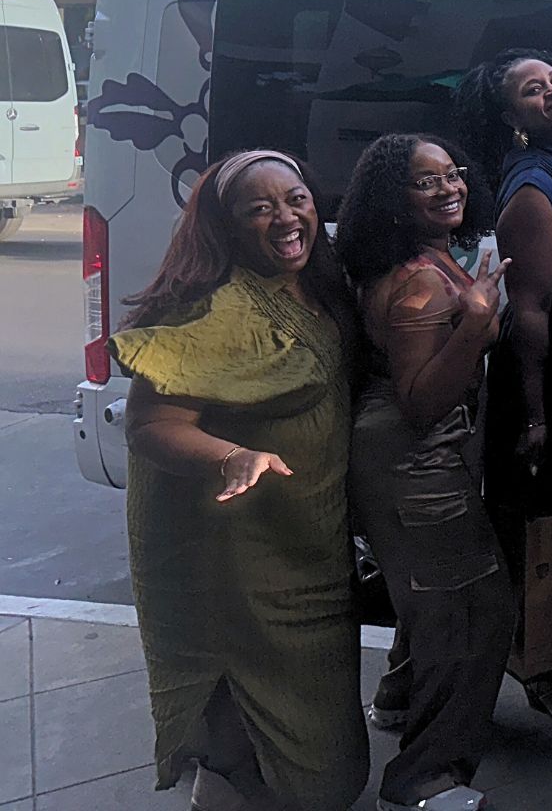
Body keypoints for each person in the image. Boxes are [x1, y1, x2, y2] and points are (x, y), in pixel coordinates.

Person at [110, 149, 368, 811]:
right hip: (234, 560)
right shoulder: (211, 310)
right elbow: (149, 424)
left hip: (304, 545)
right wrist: (229, 456)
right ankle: (230, 785)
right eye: (260, 209)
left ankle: (232, 787)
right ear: (226, 226)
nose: (285, 218)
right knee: (253, 711)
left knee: (319, 724)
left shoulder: (315, 284)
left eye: (297, 199)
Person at [334, 133, 516, 811]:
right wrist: (473, 325)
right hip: (416, 458)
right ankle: (424, 778)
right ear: (392, 198)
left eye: (453, 174)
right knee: (474, 612)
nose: (450, 188)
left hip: (407, 456)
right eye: (426, 181)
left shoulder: (416, 258)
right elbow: (419, 403)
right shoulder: (417, 284)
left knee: (431, 600)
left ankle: (398, 699)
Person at [454, 48, 552, 728]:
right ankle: (540, 673)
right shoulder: (530, 187)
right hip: (550, 387)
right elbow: (530, 310)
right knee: (538, 537)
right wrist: (535, 411)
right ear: (510, 117)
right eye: (531, 90)